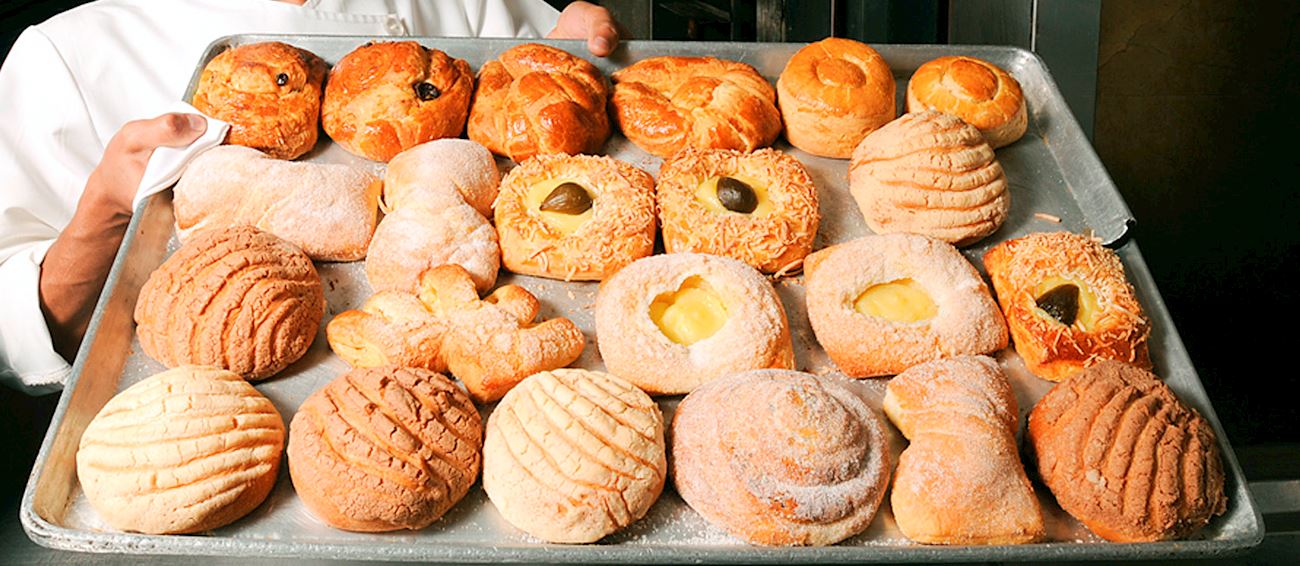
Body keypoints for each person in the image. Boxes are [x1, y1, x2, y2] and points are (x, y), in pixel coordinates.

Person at [0, 0, 621, 393]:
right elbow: (25, 328)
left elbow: (525, 100)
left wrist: (562, 58)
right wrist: (108, 209)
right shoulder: (70, 54)